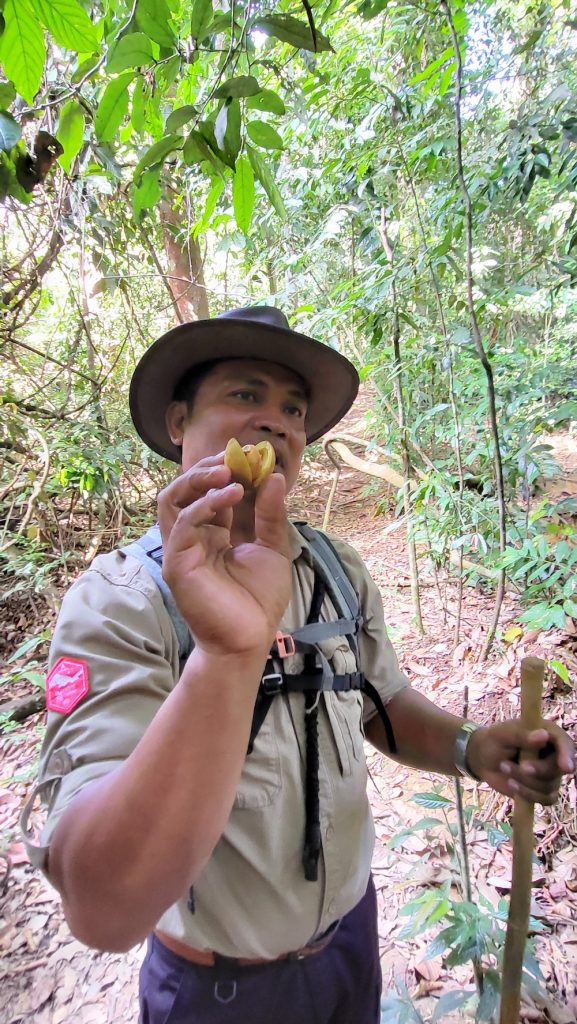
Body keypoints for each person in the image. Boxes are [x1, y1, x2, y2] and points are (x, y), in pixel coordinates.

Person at [22, 307, 574, 1024]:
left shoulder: (334, 568)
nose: (277, 423)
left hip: (349, 943)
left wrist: (470, 748)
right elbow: (103, 909)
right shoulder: (120, 602)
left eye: (293, 410)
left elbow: (380, 703)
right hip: (220, 992)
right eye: (245, 396)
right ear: (177, 422)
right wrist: (226, 653)